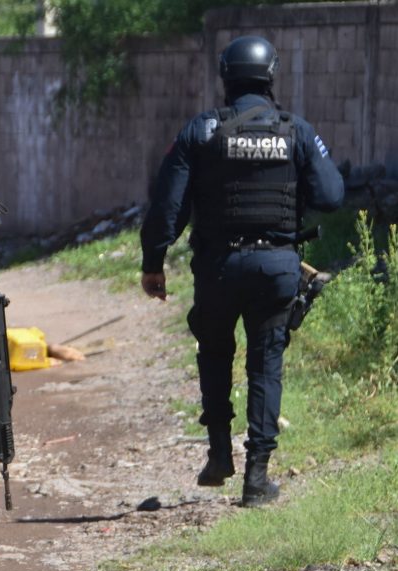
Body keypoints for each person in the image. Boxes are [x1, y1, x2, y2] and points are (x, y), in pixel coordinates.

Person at [140, 35, 343, 506]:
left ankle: (218, 456)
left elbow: (167, 207)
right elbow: (332, 195)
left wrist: (153, 264)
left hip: (218, 267)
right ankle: (257, 477)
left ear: (225, 76)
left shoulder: (201, 130)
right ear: (270, 75)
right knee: (265, 364)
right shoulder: (296, 130)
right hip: (276, 267)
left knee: (214, 353)